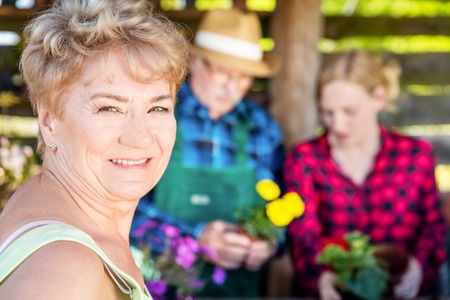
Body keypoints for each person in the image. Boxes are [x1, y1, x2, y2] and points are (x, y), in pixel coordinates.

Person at [0, 0, 188, 299]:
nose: (140, 138)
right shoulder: (65, 268)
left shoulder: (46, 207)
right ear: (49, 121)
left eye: (158, 107)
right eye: (109, 108)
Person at [132, 8, 285, 298]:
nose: (232, 86)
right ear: (193, 60)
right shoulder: (160, 114)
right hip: (156, 287)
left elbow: (283, 206)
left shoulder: (261, 126)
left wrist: (270, 243)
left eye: (244, 77)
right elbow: (122, 211)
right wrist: (196, 237)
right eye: (223, 72)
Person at [284, 49, 446, 299]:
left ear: (378, 97)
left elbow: (433, 229)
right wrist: (320, 278)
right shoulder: (306, 159)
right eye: (327, 112)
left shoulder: (415, 156)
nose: (337, 125)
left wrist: (418, 268)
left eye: (349, 112)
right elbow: (303, 237)